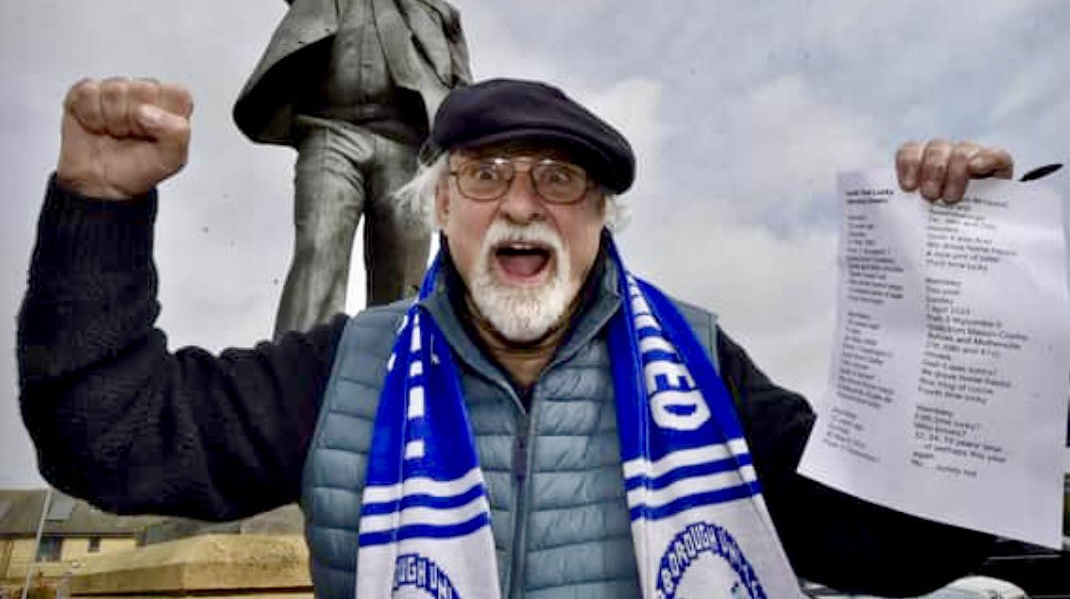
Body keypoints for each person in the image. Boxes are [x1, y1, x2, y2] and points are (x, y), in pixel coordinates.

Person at [19, 76, 1011, 599]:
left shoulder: (700, 364)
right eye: (485, 173)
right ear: (439, 204)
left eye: (559, 177)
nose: (522, 203)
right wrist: (97, 205)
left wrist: (978, 278)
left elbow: (894, 539)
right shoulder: (343, 369)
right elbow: (107, 436)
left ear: (597, 219)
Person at [211, 0, 471, 336]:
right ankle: (292, 377)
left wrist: (468, 165)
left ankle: (393, 386)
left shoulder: (439, 12)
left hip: (408, 152)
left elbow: (463, 94)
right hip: (332, 136)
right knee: (317, 251)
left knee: (402, 283)